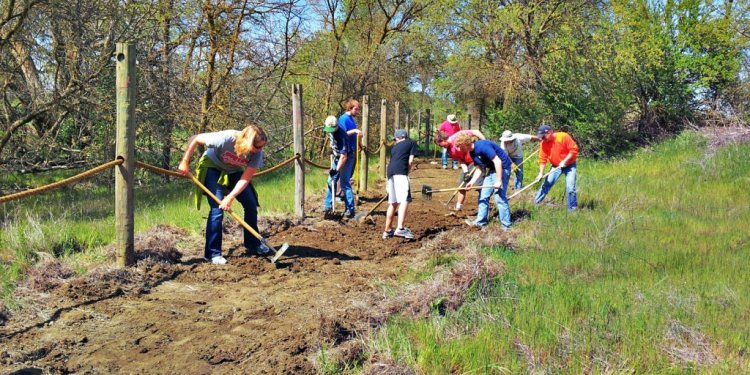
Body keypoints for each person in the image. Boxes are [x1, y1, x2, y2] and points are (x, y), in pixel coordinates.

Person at [178, 124, 268, 265]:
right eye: (257, 147)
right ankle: (213, 253)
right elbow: (195, 138)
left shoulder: (257, 153)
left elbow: (245, 178)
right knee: (217, 208)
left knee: (250, 204)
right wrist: (185, 161)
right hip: (212, 166)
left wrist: (231, 197)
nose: (260, 150)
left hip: (233, 171)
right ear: (247, 141)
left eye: (262, 146)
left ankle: (253, 244)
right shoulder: (225, 138)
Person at [454, 133, 512, 230]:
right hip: (492, 170)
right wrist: (472, 182)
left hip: (503, 168)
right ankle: (481, 222)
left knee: (499, 197)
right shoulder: (472, 152)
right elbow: (479, 168)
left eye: (460, 147)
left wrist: (498, 181)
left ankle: (506, 226)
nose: (459, 149)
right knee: (483, 196)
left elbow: (498, 161)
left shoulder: (482, 146)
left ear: (465, 143)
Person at [434, 129, 485, 211]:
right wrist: (466, 172)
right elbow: (460, 160)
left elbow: (476, 132)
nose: (442, 147)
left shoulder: (458, 135)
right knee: (461, 184)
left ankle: (482, 209)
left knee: (479, 185)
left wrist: (484, 143)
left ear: (443, 140)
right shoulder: (450, 150)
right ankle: (458, 207)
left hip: (476, 160)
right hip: (467, 163)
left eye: (441, 145)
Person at [534, 124, 579, 211]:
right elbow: (542, 159)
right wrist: (541, 173)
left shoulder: (563, 136)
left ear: (549, 133)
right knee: (547, 183)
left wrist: (564, 161)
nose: (542, 139)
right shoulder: (543, 143)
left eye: (543, 137)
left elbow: (574, 149)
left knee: (570, 188)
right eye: (541, 137)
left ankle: (572, 209)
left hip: (570, 165)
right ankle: (535, 203)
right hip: (556, 166)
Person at [383, 129, 418, 240]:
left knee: (393, 202)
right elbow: (411, 160)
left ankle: (387, 231)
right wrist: (406, 172)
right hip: (400, 172)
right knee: (404, 200)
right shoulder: (411, 143)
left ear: (398, 138)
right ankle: (400, 229)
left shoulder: (394, 148)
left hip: (390, 173)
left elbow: (393, 161)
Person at [337, 99, 363, 218]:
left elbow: (353, 136)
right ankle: (348, 207)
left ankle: (348, 206)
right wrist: (355, 130)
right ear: (350, 108)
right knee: (344, 182)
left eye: (358, 109)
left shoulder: (352, 120)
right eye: (356, 109)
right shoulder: (343, 119)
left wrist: (360, 144)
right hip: (345, 153)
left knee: (346, 180)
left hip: (352, 152)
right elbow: (343, 134)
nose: (358, 111)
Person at [323, 115, 349, 215]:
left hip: (343, 158)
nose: (330, 131)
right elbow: (332, 141)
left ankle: (349, 210)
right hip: (336, 156)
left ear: (336, 126)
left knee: (343, 183)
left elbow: (344, 157)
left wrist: (336, 170)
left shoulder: (342, 136)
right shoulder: (330, 130)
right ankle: (328, 206)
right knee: (331, 181)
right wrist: (331, 149)